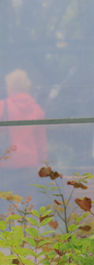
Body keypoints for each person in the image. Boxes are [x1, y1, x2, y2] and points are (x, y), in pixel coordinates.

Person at [0, 69, 48, 212]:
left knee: (8, 206)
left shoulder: (3, 106)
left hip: (7, 165)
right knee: (28, 205)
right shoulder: (35, 109)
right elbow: (41, 141)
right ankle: (29, 233)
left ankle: (10, 233)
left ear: (10, 87)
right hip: (30, 165)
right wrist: (43, 164)